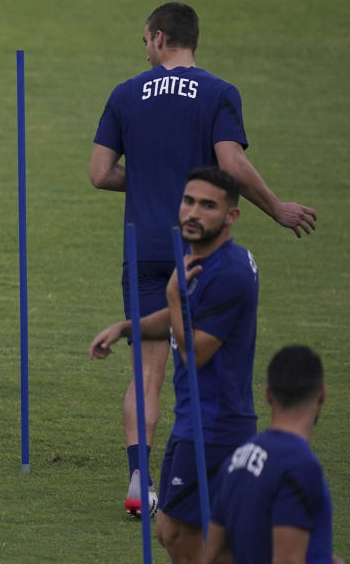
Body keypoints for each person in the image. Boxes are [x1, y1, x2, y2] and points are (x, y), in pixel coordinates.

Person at [89, 2, 317, 516]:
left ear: (159, 37)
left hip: (143, 246)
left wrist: (144, 178)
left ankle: (139, 481)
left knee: (148, 370)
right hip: (202, 252)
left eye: (144, 40)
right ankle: (220, 475)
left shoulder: (126, 93)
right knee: (209, 362)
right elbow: (231, 161)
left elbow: (100, 172)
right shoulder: (218, 93)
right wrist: (277, 208)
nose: (143, 48)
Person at [90, 167, 259, 564]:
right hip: (191, 421)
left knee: (183, 538)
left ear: (231, 216)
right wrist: (126, 326)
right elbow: (176, 319)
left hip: (214, 426)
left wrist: (174, 295)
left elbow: (194, 352)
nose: (193, 213)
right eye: (188, 201)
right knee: (171, 530)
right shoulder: (197, 256)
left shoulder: (230, 272)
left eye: (207, 205)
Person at [205, 345, 342, 564]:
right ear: (322, 394)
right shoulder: (299, 465)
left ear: (268, 394)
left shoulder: (236, 459)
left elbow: (213, 555)